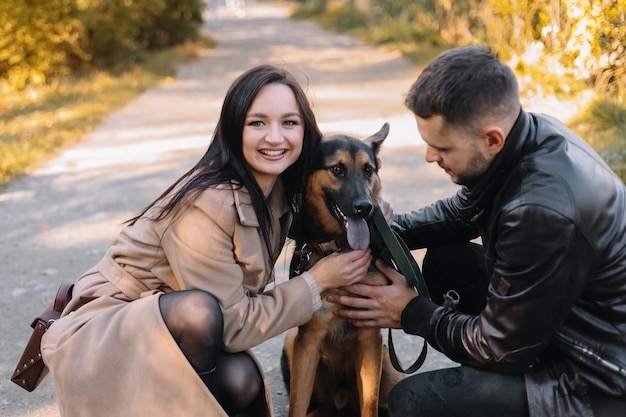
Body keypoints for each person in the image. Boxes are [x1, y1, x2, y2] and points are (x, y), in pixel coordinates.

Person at [41, 64, 372, 417]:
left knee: (243, 380)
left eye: (289, 123)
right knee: (200, 312)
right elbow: (233, 325)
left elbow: (330, 210)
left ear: (305, 133)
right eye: (257, 123)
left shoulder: (277, 188)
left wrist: (371, 208)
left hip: (174, 327)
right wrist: (317, 281)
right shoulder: (204, 205)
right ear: (233, 128)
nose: (275, 137)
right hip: (108, 335)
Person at [328, 45, 626, 417]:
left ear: (491, 139)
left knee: (410, 403)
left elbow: (498, 348)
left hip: (599, 380)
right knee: (445, 261)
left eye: (442, 147)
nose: (429, 156)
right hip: (561, 329)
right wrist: (378, 232)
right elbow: (457, 214)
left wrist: (410, 311)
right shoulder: (530, 134)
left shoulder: (539, 209)